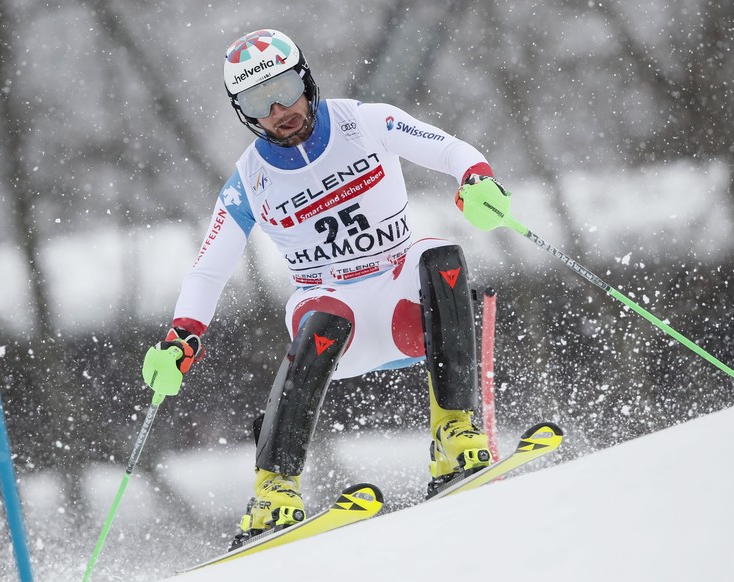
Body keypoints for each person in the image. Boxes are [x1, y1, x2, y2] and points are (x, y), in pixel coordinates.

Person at [141, 28, 512, 543]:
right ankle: (274, 491)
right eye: (257, 100)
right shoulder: (249, 181)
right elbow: (208, 269)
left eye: (287, 87)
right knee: (326, 314)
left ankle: (454, 433)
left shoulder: (364, 121)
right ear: (243, 111)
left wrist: (477, 178)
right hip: (337, 321)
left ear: (307, 80)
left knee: (441, 254)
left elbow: (450, 150)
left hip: (406, 306)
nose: (278, 108)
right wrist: (182, 337)